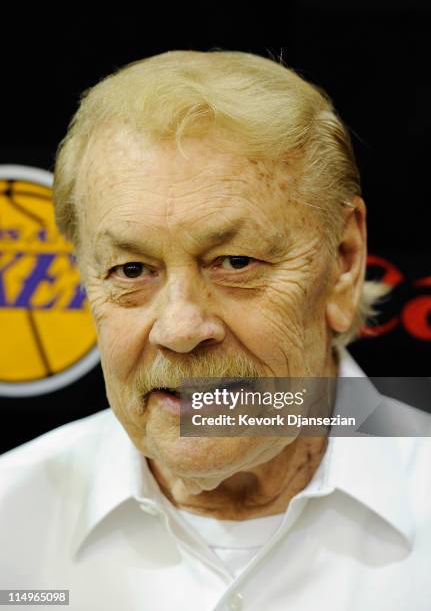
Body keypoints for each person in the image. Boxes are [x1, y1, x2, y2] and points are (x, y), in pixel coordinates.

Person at [1, 49, 430, 611]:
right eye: (132, 271)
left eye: (235, 262)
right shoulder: (11, 517)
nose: (180, 328)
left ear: (344, 261)